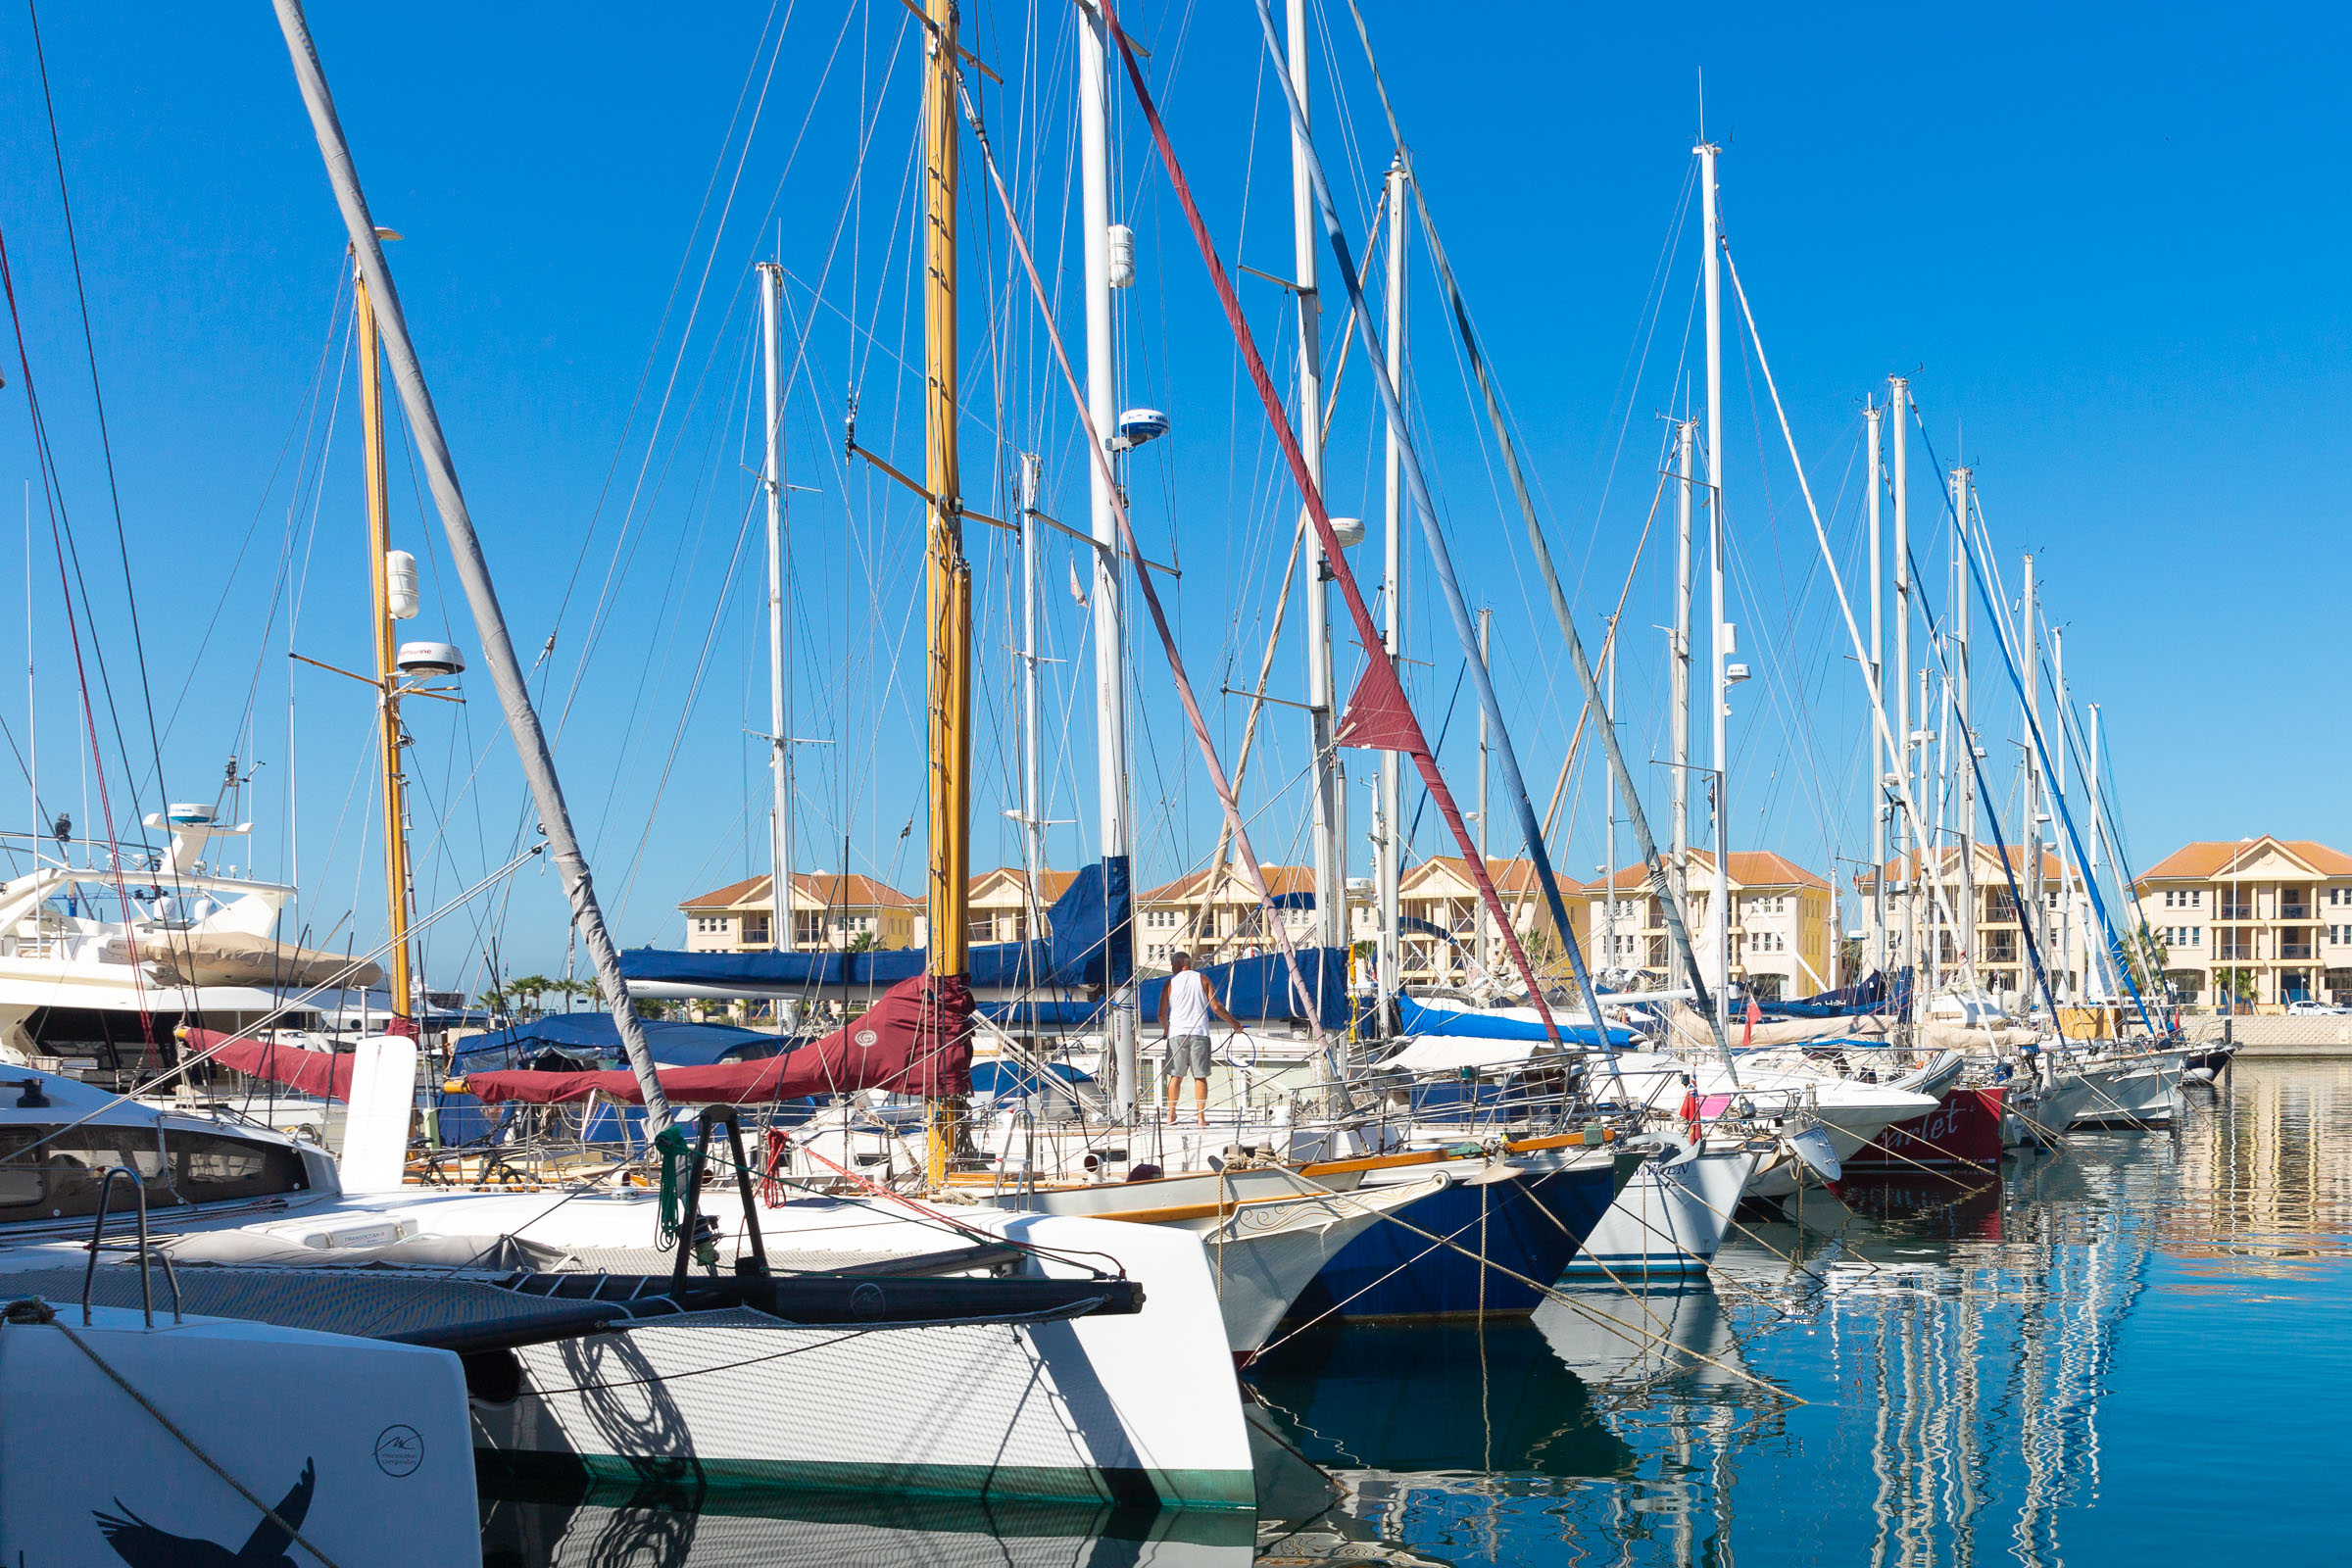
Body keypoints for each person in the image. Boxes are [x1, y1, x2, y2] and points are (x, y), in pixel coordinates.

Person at [1156, 951, 1239, 1127]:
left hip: (1176, 1033)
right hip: (1199, 1032)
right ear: (1188, 964)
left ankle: (1171, 1115)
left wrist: (1166, 1030)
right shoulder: (1203, 980)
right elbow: (1216, 1007)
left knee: (1175, 1076)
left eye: (1172, 965)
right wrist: (1235, 1025)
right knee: (1200, 1076)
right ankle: (1200, 1118)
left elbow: (1162, 1014)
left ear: (1177, 965)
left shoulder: (1169, 983)